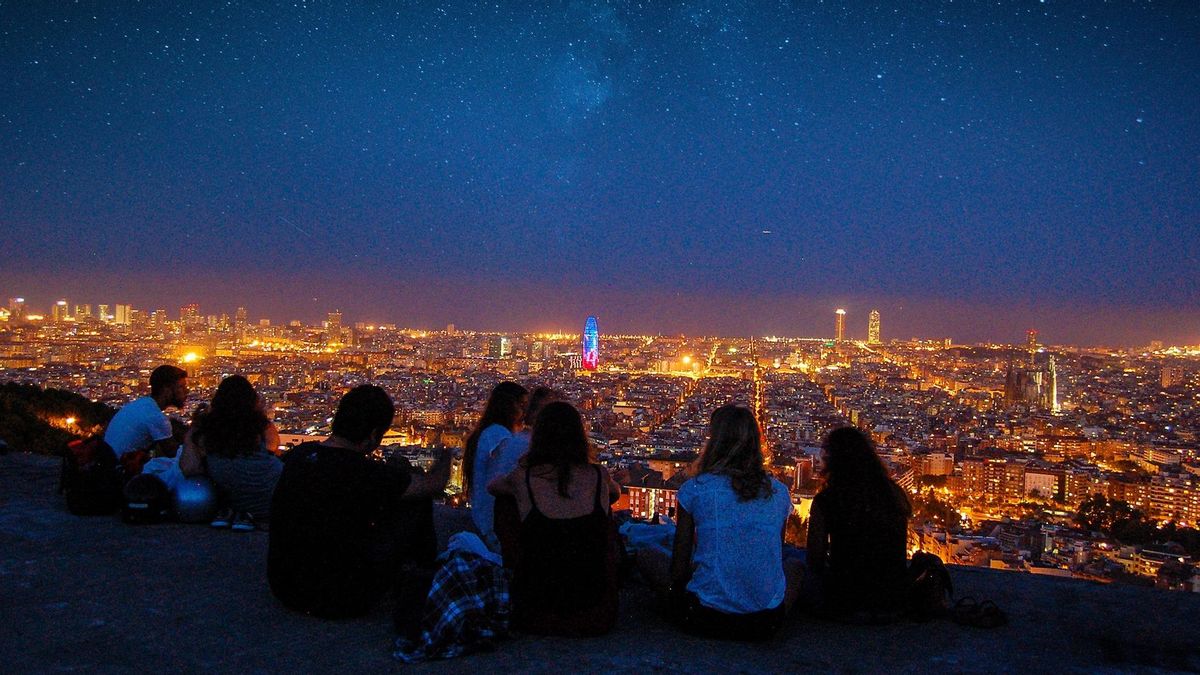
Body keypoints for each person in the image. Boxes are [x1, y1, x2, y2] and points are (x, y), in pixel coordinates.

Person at [268, 385, 452, 620]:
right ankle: (423, 577)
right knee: (416, 500)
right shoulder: (364, 473)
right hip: (341, 598)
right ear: (374, 435)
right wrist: (448, 453)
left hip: (285, 588)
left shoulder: (299, 456)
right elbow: (434, 485)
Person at [638, 404, 799, 641]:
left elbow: (679, 569)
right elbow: (776, 553)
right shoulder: (779, 492)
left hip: (704, 617)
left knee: (647, 555)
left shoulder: (695, 489)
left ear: (713, 442)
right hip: (765, 624)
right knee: (796, 566)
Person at [488, 401, 620, 636]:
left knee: (507, 504)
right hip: (595, 614)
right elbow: (615, 493)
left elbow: (493, 486)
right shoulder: (598, 475)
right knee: (603, 506)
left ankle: (514, 571)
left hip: (535, 613)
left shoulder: (522, 477)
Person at [807, 426, 912, 620]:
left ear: (833, 461)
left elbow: (814, 559)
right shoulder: (893, 494)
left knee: (792, 564)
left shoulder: (827, 500)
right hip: (893, 603)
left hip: (845, 603)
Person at [178, 375, 282, 531]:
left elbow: (189, 468)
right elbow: (273, 447)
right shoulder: (261, 425)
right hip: (273, 497)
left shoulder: (206, 429)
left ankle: (235, 513)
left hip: (230, 499)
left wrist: (192, 433)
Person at [463, 381, 527, 549]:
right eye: (521, 405)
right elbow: (508, 472)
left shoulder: (488, 432)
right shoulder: (498, 434)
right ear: (507, 406)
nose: (525, 412)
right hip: (493, 525)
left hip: (486, 521)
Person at [104, 365, 188, 471]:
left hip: (109, 463)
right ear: (166, 390)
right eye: (181, 387)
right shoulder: (156, 416)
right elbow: (176, 455)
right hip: (119, 471)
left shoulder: (143, 404)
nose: (186, 391)